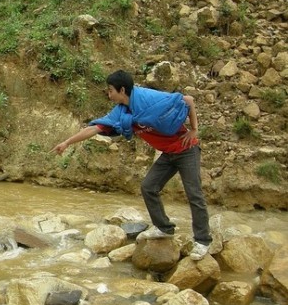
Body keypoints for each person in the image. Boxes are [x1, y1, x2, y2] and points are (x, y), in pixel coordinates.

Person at [52, 70, 212, 260]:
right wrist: (67, 142)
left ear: (122, 90)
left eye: (110, 90)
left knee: (194, 194)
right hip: (168, 154)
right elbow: (94, 128)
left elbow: (188, 100)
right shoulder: (121, 111)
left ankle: (203, 241)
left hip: (187, 150)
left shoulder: (149, 98)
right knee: (148, 187)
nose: (108, 94)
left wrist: (194, 129)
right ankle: (164, 228)